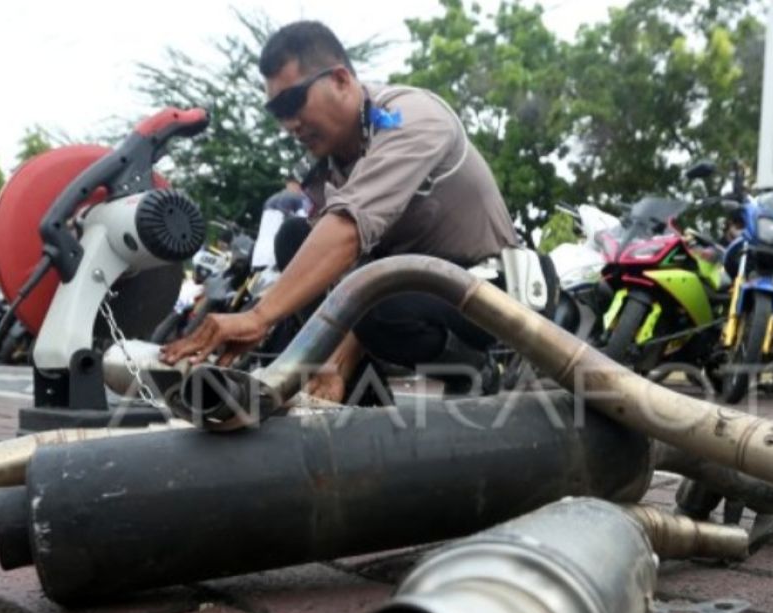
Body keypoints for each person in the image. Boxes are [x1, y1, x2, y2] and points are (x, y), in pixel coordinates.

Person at [161, 21, 519, 401]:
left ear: (342, 80)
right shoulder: (327, 168)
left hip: (487, 291)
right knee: (295, 238)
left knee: (372, 299)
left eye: (292, 103)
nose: (289, 125)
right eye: (276, 112)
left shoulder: (410, 118)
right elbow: (355, 272)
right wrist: (332, 363)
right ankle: (358, 403)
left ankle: (474, 370)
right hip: (399, 286)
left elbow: (348, 234)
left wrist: (258, 318)